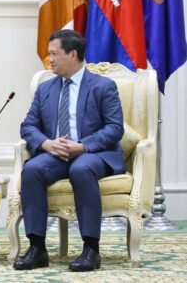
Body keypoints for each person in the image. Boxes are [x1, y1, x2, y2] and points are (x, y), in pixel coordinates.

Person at [14, 29, 124, 272]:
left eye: (54, 54)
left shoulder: (103, 86)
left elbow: (115, 129)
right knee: (31, 169)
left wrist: (83, 146)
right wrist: (46, 144)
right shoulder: (46, 89)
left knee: (81, 168)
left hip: (93, 154)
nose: (49, 59)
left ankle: (91, 249)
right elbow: (28, 126)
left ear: (73, 54)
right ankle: (37, 248)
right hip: (56, 154)